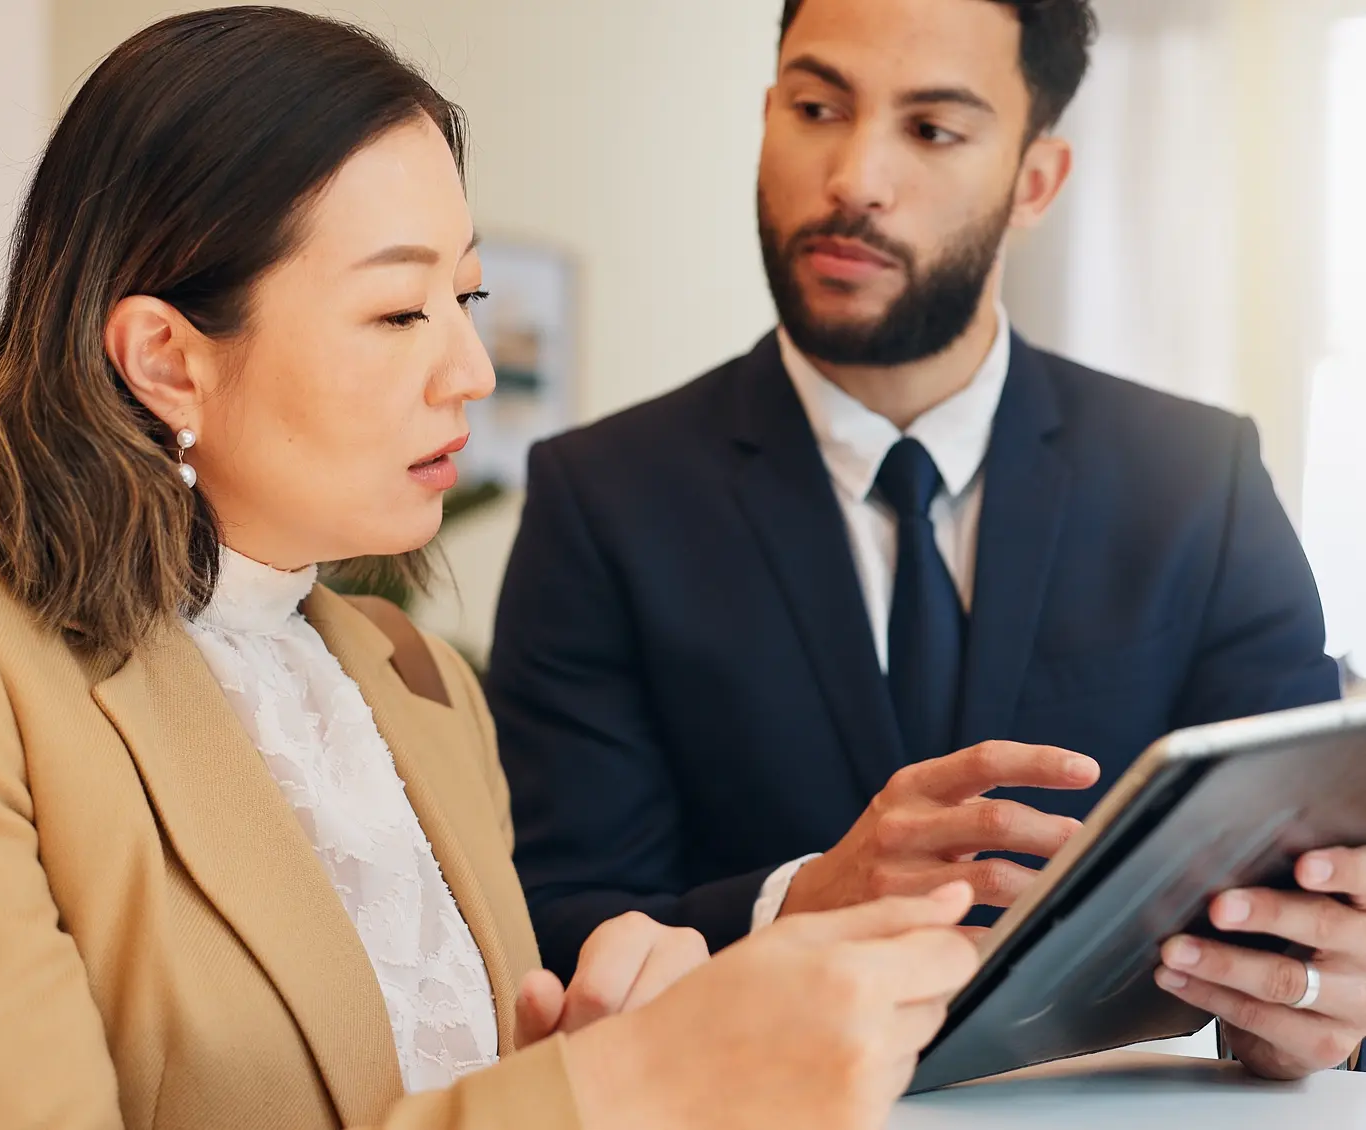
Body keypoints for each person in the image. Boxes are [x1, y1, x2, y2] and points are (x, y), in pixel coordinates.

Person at [0, 8, 985, 1128]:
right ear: (166, 358)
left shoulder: (419, 683)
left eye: (468, 296)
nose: (472, 371)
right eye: (398, 309)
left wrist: (589, 1051)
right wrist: (612, 1088)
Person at [488, 0, 1366, 1080]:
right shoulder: (599, 497)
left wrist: (1320, 996)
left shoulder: (1200, 478)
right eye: (816, 108)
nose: (854, 177)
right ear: (766, 118)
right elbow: (549, 921)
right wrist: (798, 899)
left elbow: (1309, 886)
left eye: (931, 129)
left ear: (1034, 181)